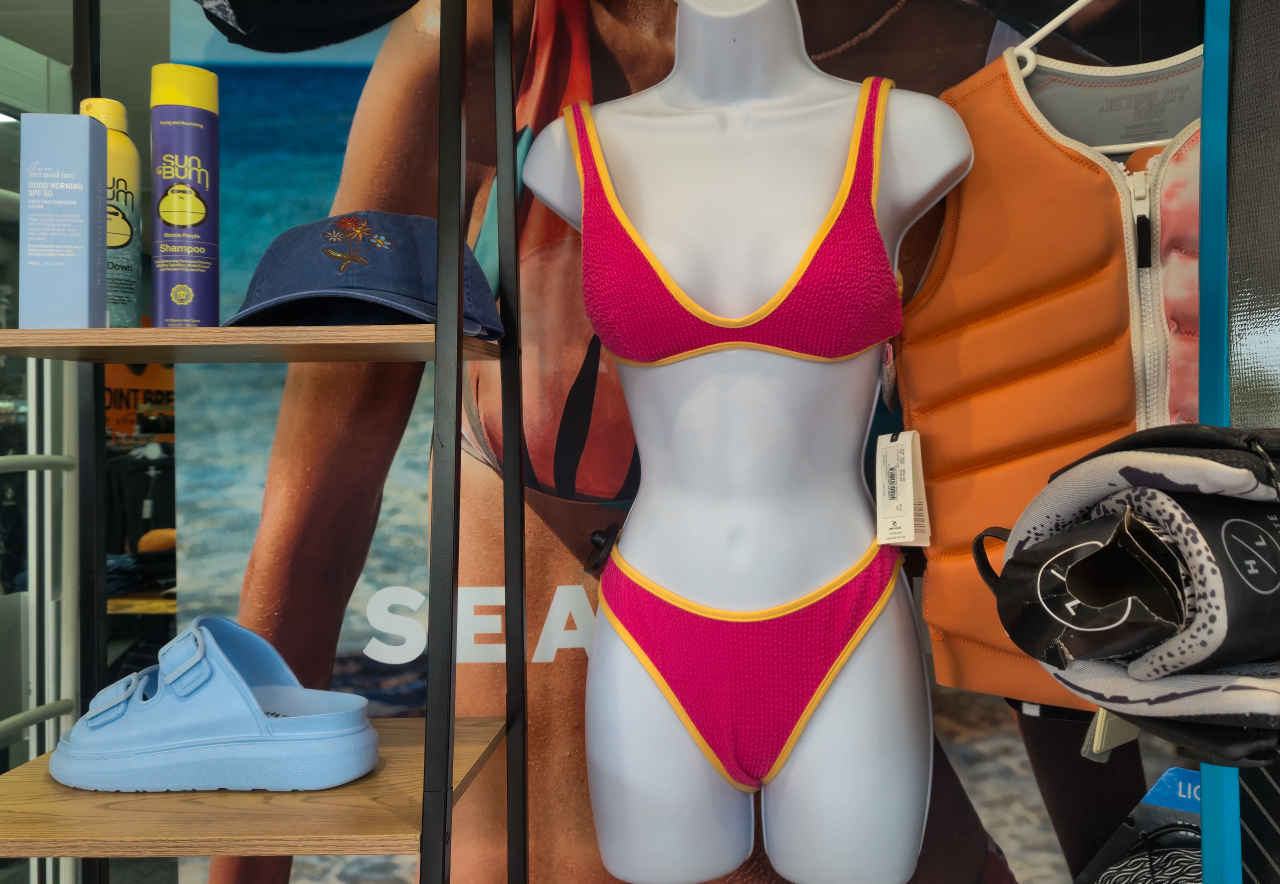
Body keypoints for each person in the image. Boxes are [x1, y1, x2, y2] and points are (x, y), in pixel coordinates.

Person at [203, 1, 1138, 882]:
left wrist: (1136, 857)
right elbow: (315, 523)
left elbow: (1051, 554)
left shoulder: (976, 85)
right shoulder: (479, 50)